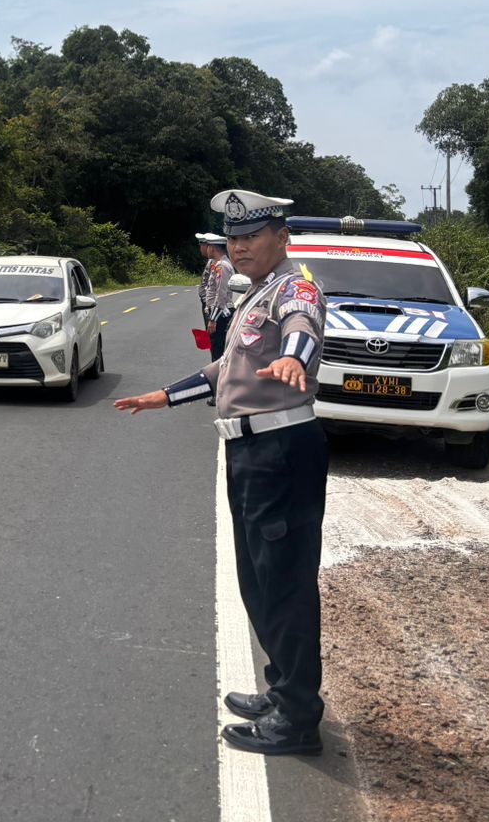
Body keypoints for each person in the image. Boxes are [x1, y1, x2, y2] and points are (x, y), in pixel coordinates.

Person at [115, 190, 328, 756]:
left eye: (250, 236)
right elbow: (224, 369)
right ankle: (284, 691)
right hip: (250, 453)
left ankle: (298, 719)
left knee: (284, 584)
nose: (238, 246)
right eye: (232, 238)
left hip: (281, 450)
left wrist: (295, 358)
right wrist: (166, 395)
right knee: (259, 581)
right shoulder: (254, 294)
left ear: (280, 237)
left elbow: (302, 327)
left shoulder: (294, 288)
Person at [195, 232, 234, 360]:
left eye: (208, 246)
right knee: (214, 348)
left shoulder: (222, 266)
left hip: (220, 315)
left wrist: (213, 319)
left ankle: (218, 378)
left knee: (218, 352)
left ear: (213, 248)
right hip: (217, 314)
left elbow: (221, 294)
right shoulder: (218, 264)